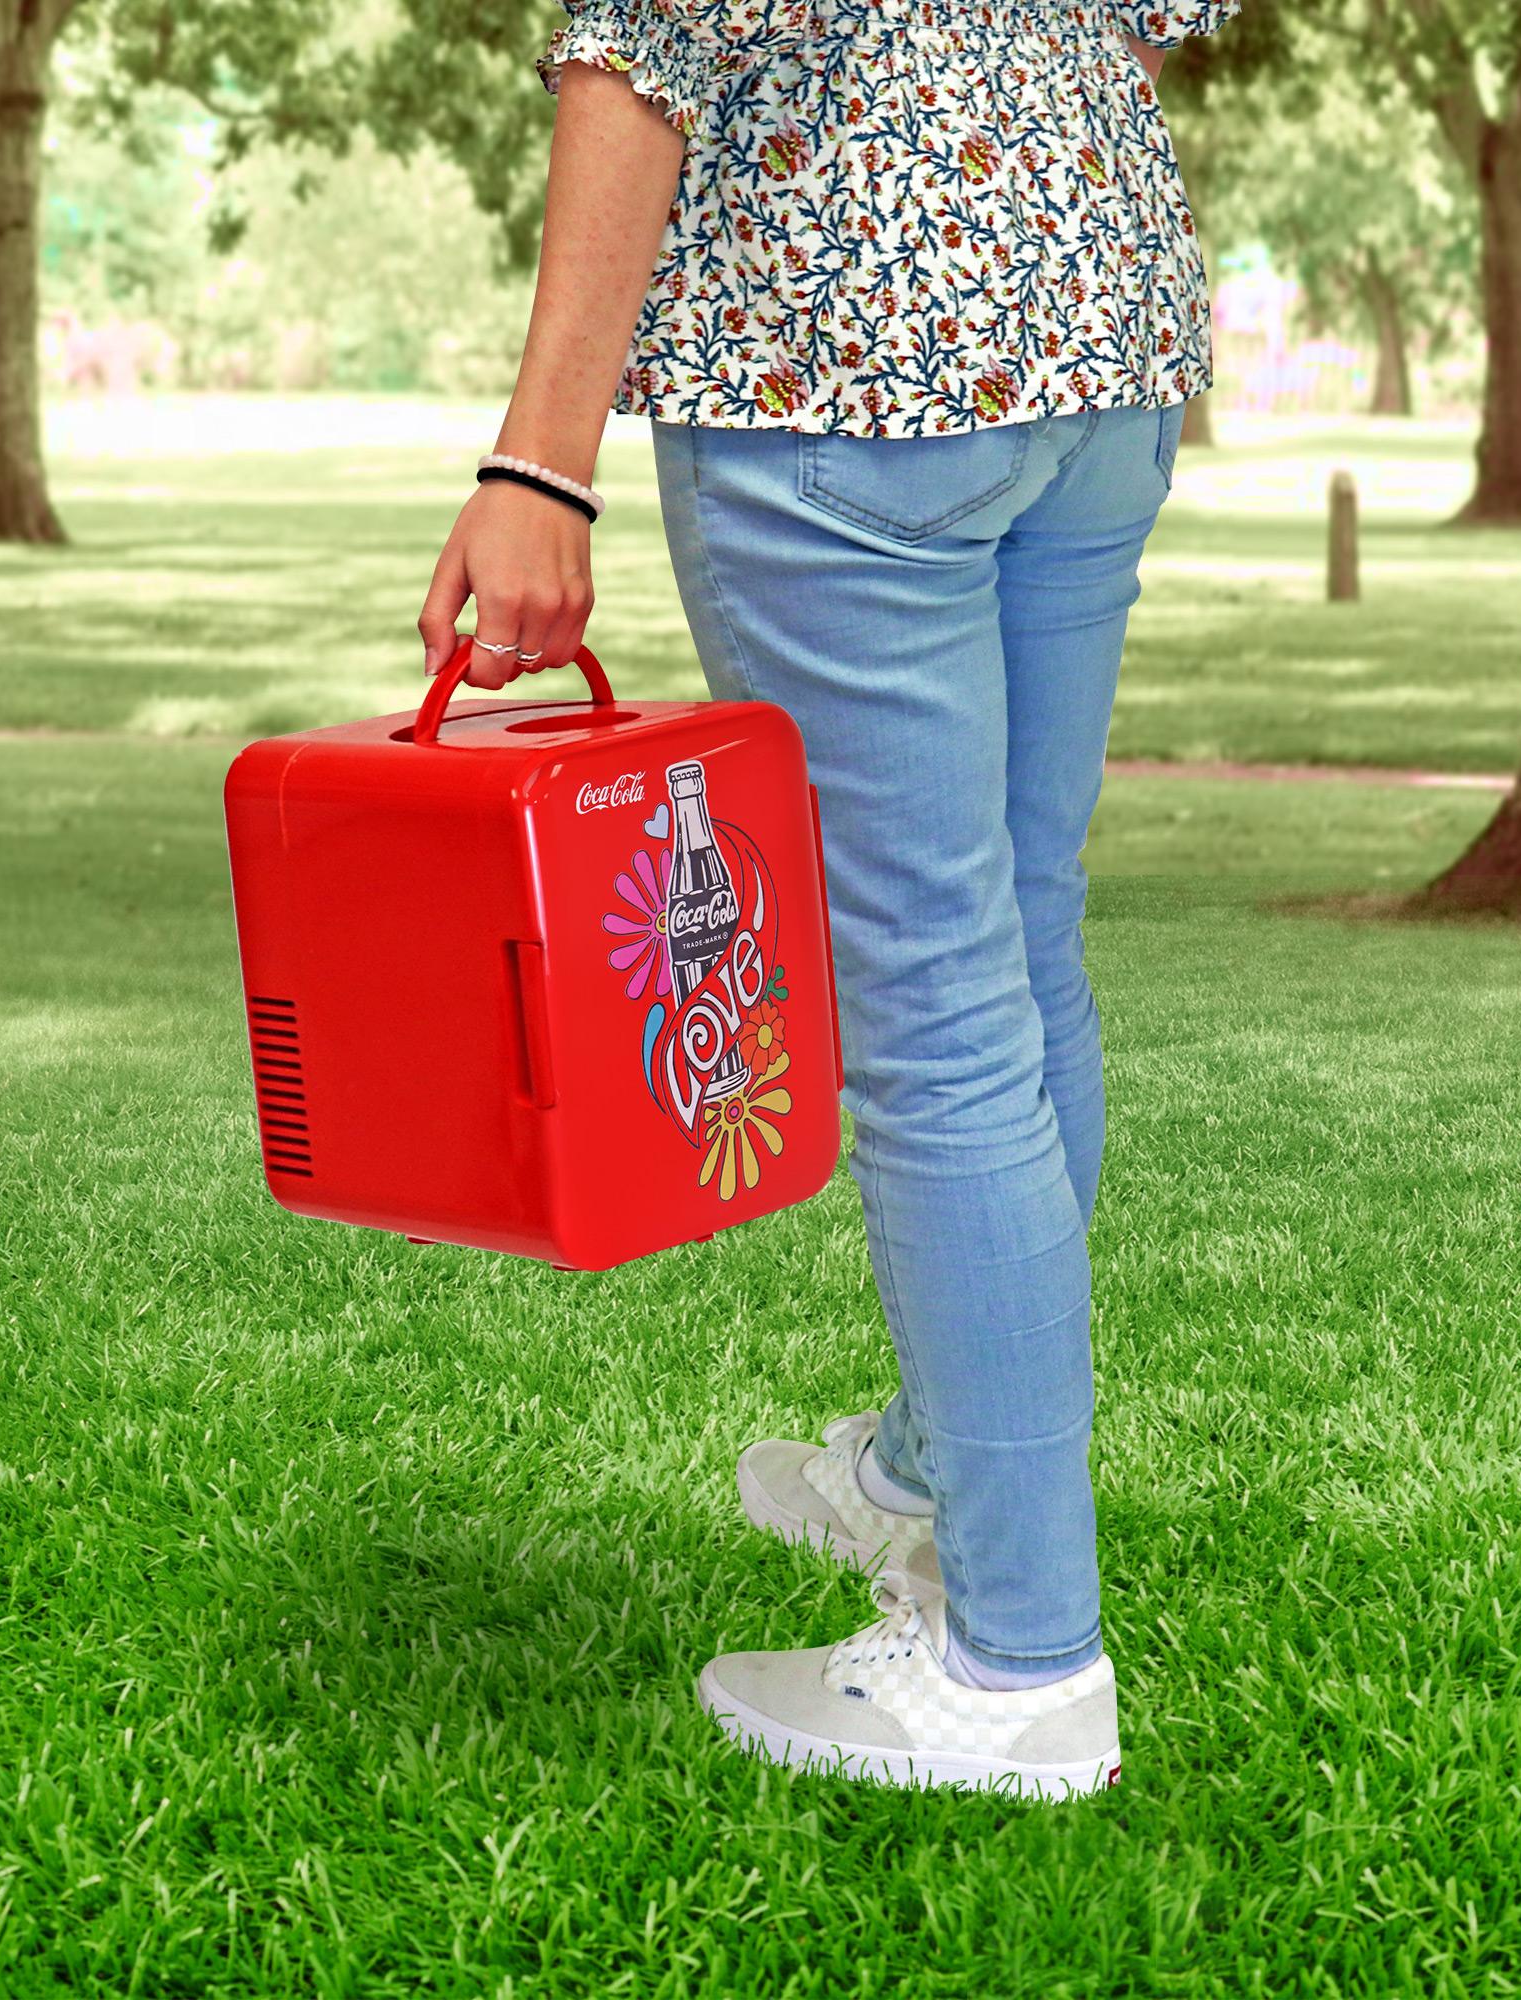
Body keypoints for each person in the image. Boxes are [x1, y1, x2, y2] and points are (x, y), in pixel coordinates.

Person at [419, 0, 1247, 1799]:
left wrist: (536, 460)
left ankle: (1015, 1659)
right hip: (1091, 346)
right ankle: (943, 1466)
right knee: (1017, 944)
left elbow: (643, 51)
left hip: (836, 370)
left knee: (935, 1005)